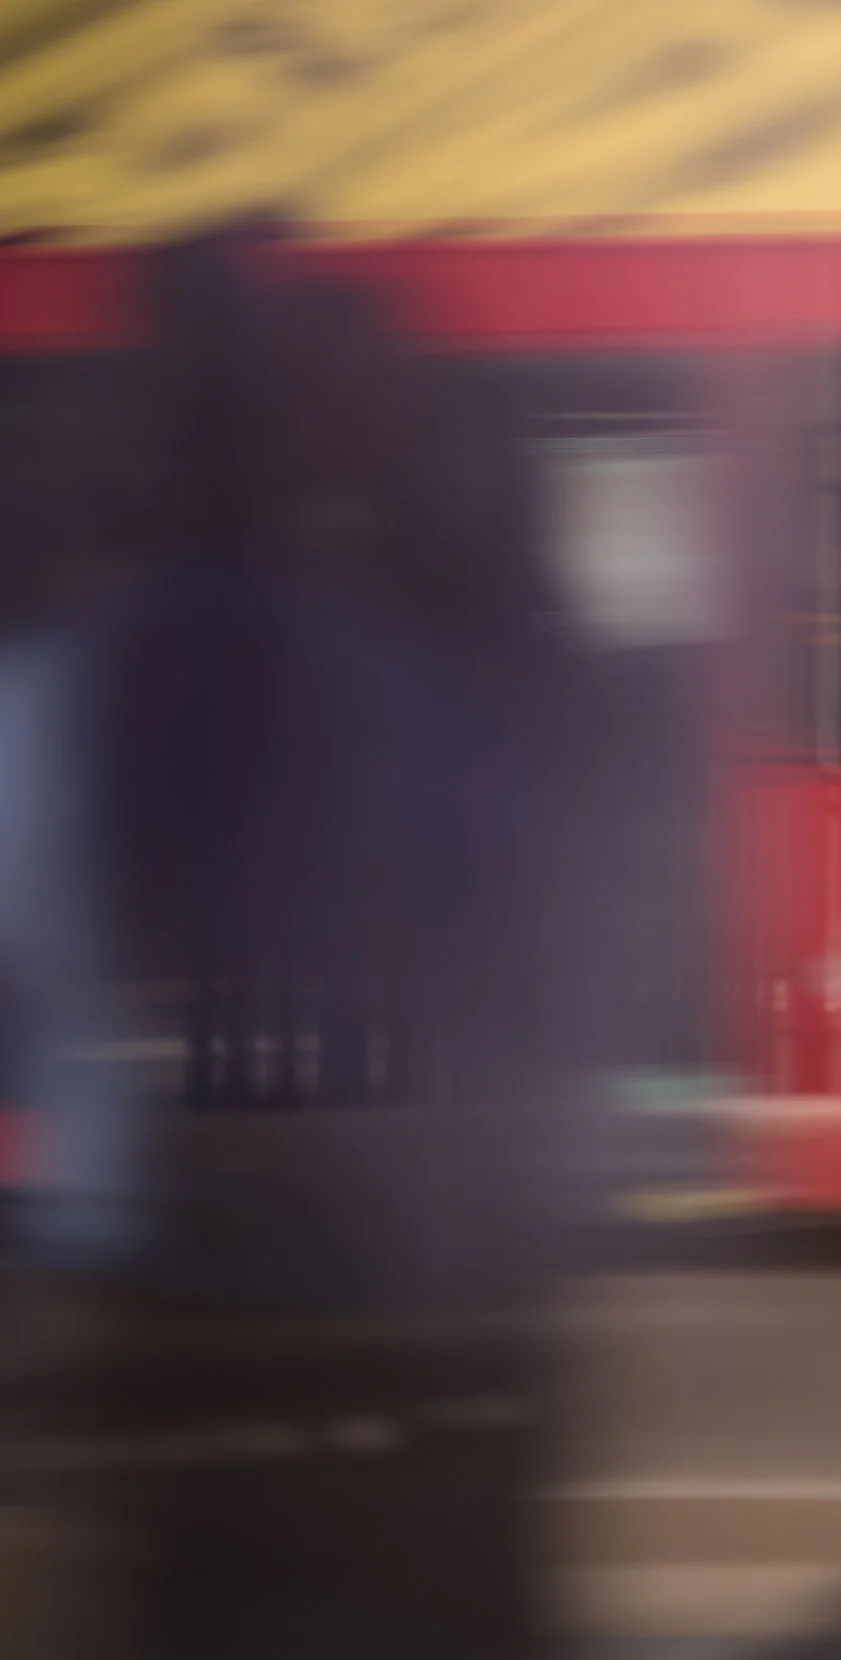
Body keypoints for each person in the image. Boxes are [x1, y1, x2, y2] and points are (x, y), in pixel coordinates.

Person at [6, 225, 594, 1660]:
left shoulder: (60, 679)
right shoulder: (382, 675)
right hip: (389, 1279)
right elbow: (489, 966)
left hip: (162, 1279)